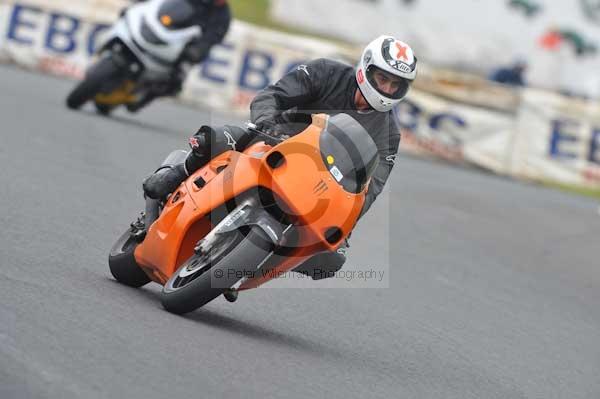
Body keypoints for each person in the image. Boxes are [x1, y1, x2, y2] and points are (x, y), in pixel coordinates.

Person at [143, 35, 418, 280]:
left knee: (331, 257)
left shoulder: (389, 135)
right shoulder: (326, 72)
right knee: (212, 139)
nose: (388, 89)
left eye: (396, 85)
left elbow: (372, 186)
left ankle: (256, 265)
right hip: (274, 141)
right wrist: (266, 122)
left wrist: (348, 221)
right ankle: (176, 173)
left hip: (318, 185)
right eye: (383, 79)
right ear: (366, 69)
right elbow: (272, 95)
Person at [125, 0, 231, 110]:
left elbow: (214, 37)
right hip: (168, 27)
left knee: (178, 77)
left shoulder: (223, 16)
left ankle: (148, 95)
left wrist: (199, 49)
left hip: (187, 45)